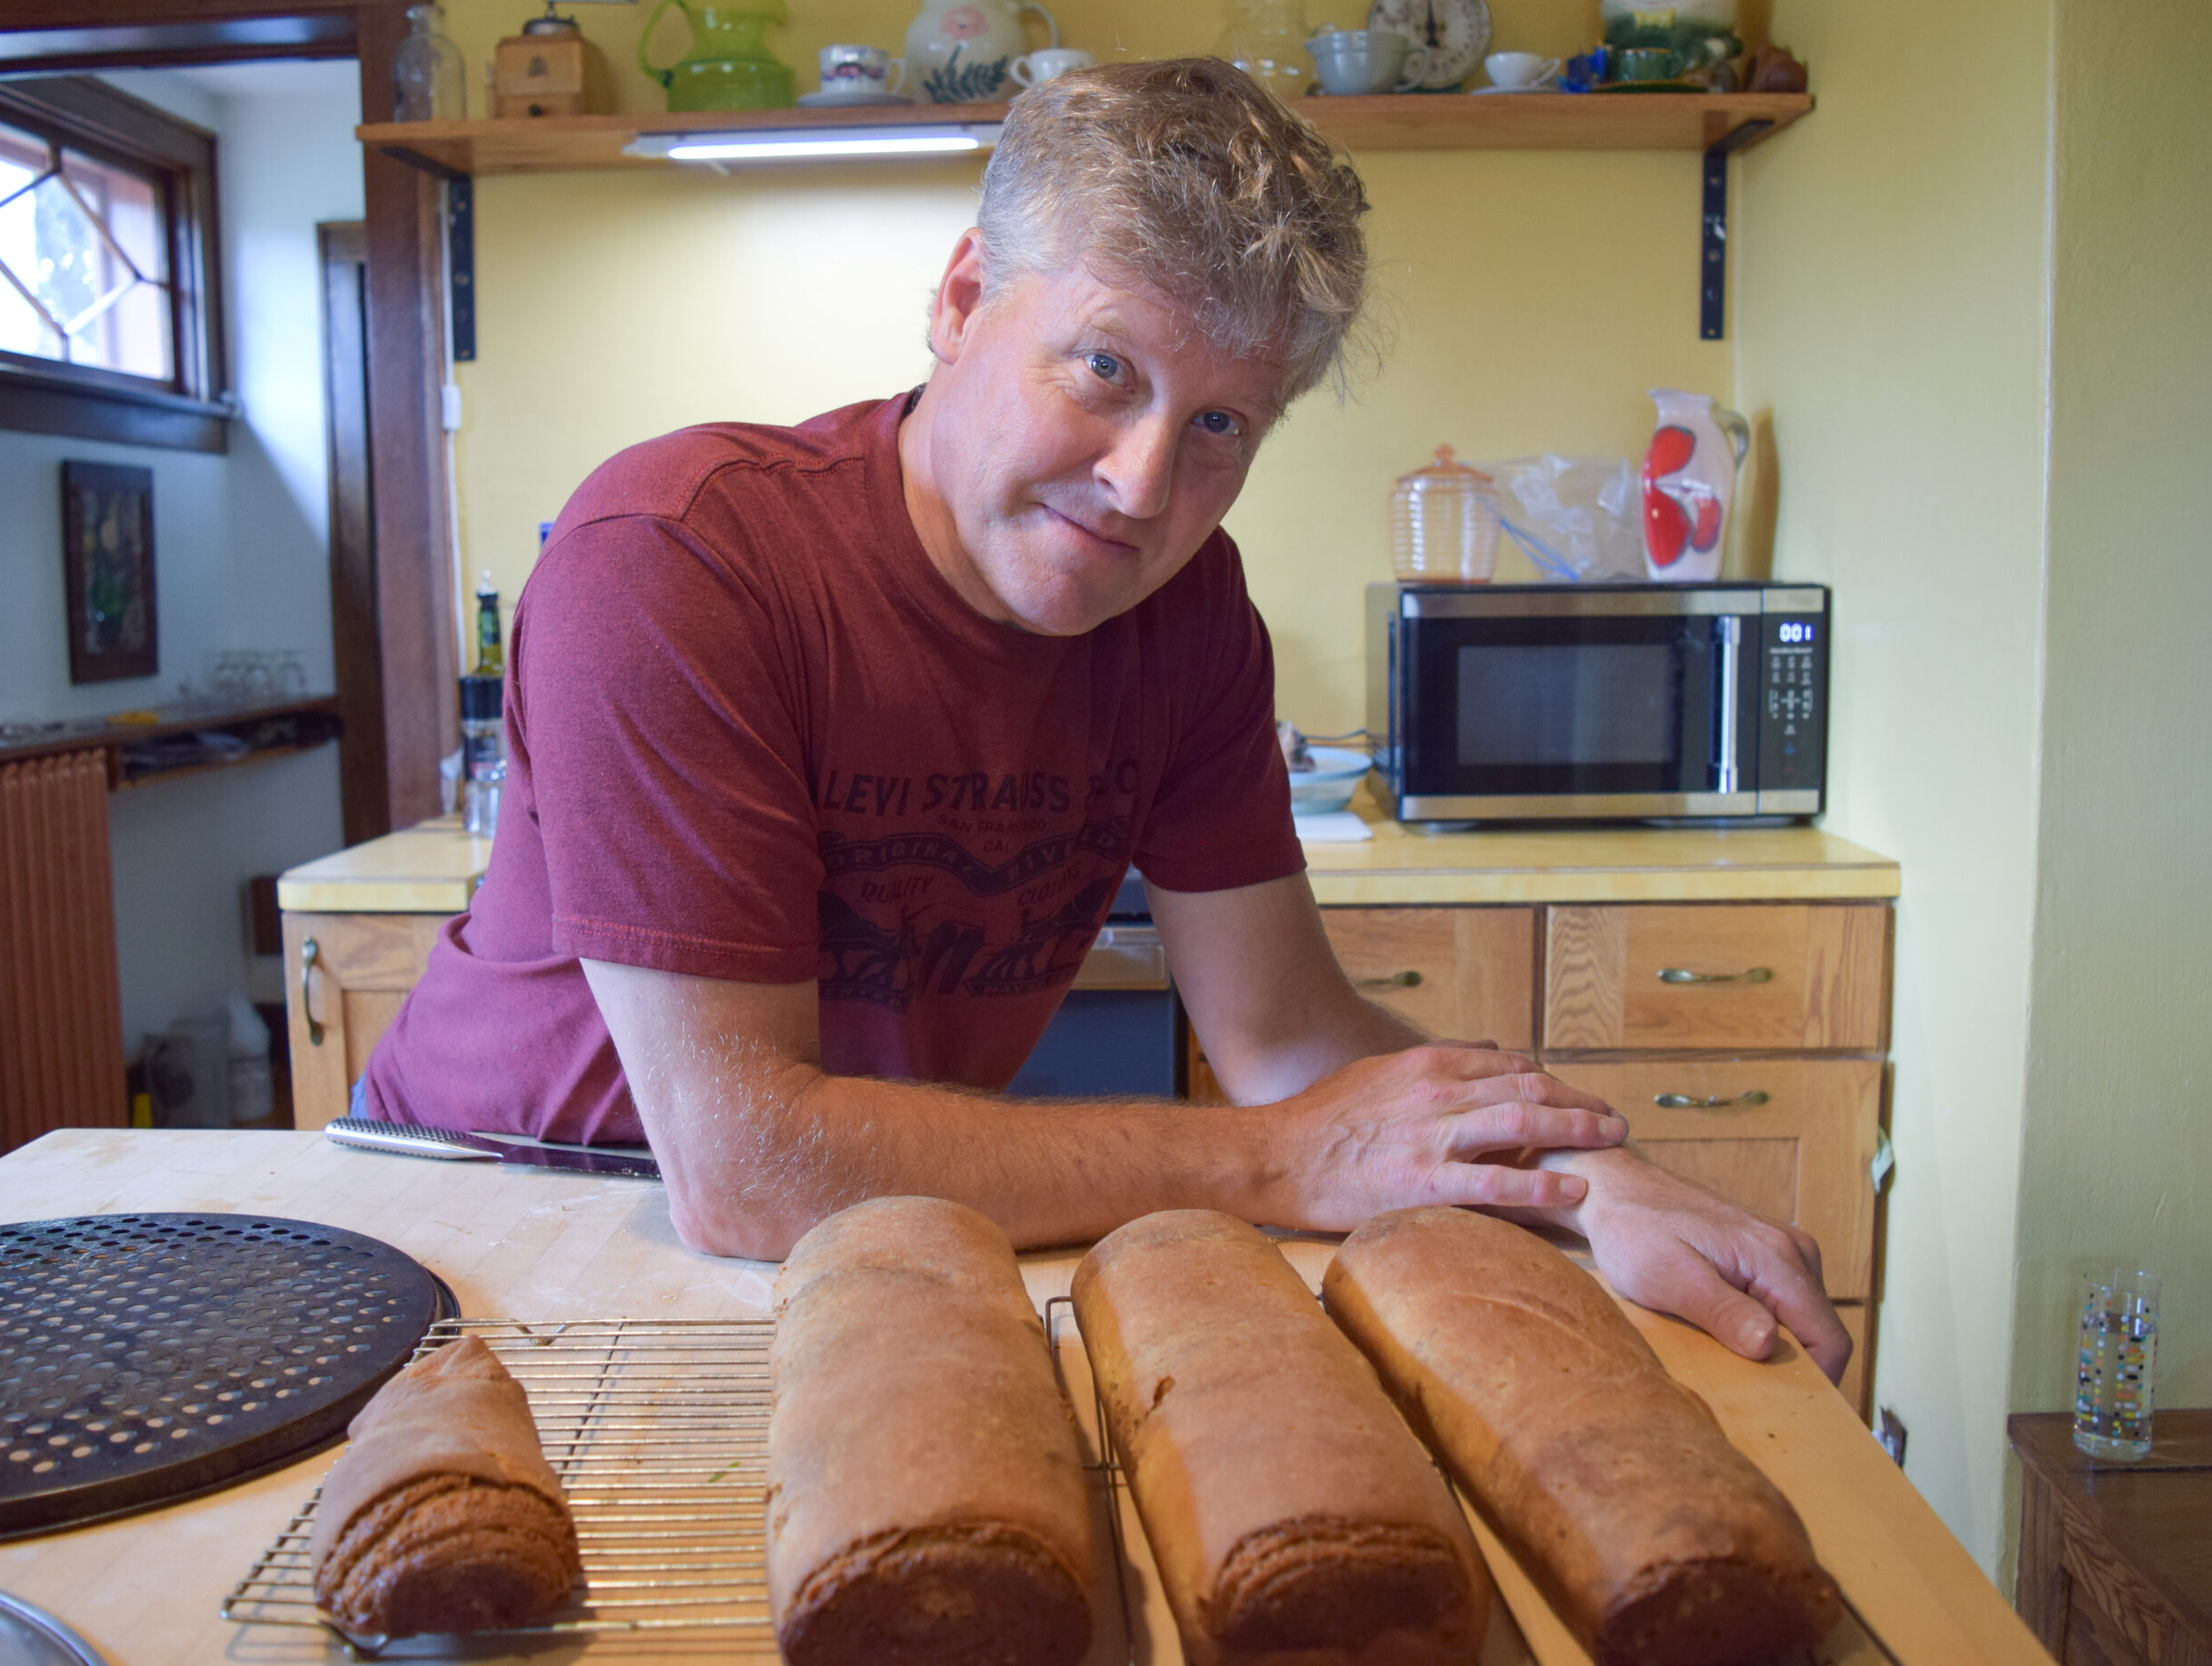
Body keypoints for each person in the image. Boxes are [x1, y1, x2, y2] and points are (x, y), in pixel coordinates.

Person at [362, 59, 1850, 1385]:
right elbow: (745, 1159)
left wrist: (1594, 1183)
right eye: (1104, 370)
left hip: (850, 1232)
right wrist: (1279, 1161)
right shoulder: (680, 558)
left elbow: (1286, 1034)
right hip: (503, 1218)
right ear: (960, 302)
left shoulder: (1188, 619)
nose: (1145, 487)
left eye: (1220, 427)